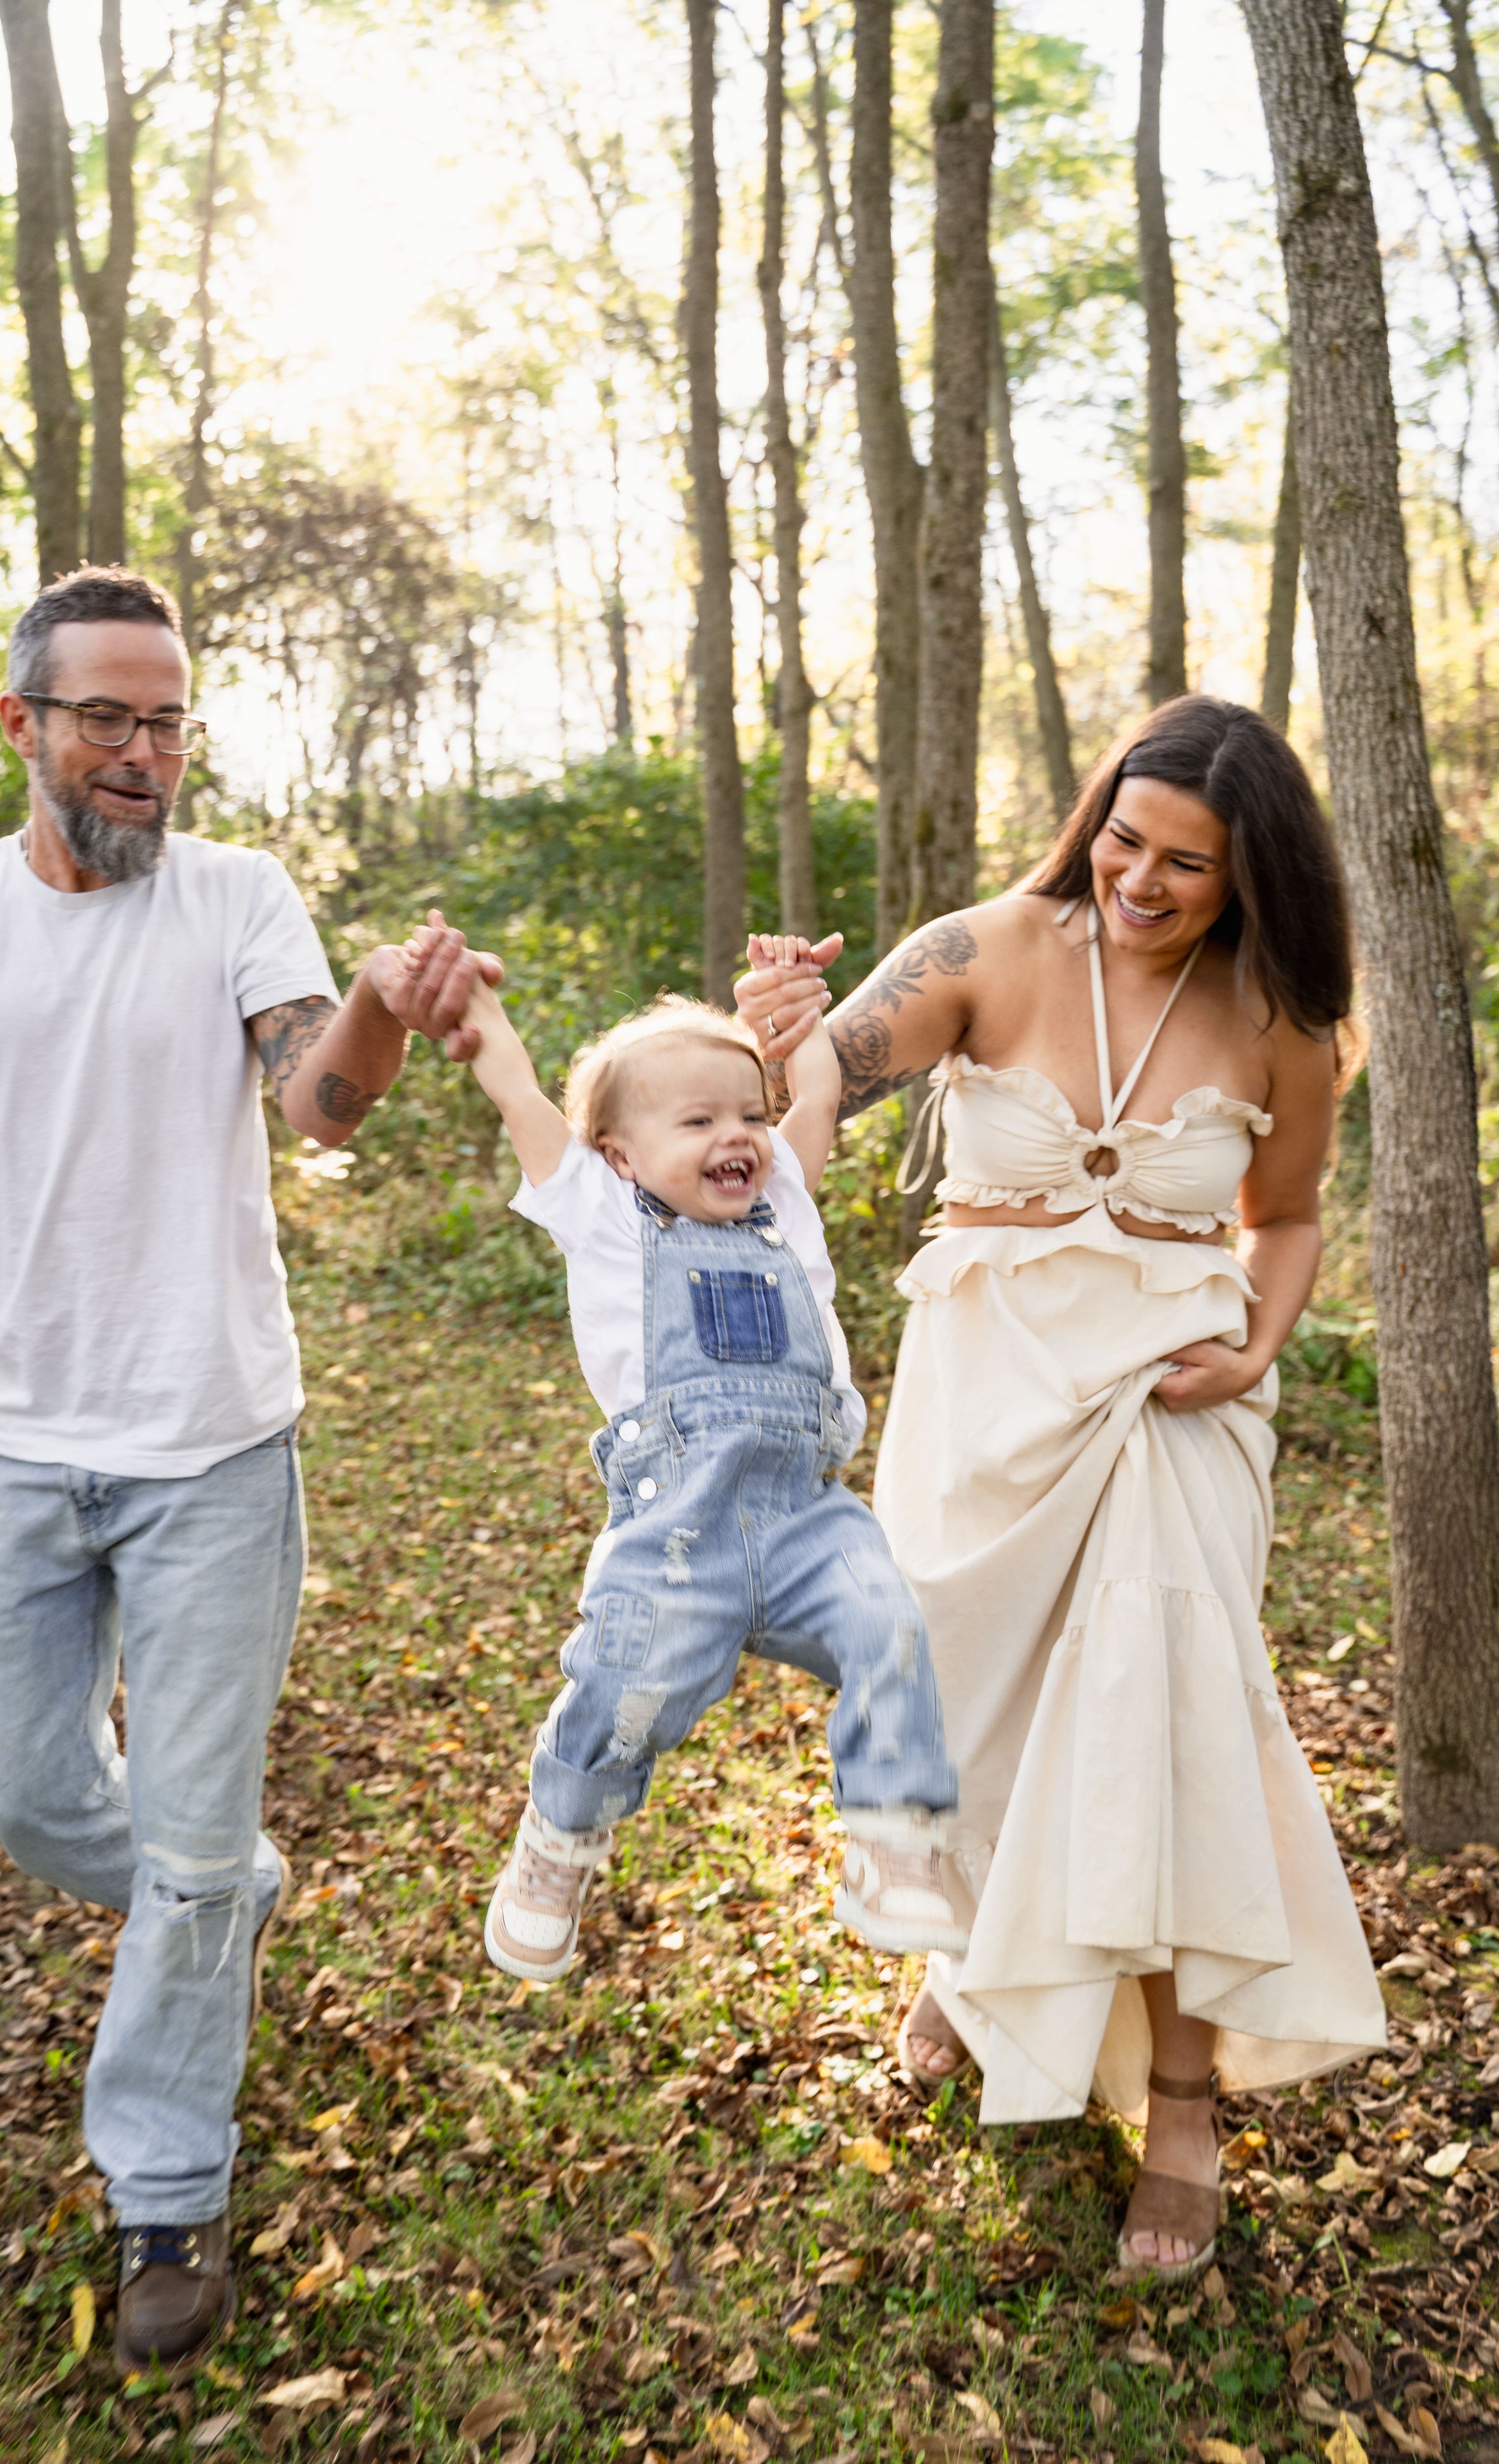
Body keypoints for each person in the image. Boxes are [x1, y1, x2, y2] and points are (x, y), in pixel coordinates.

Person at [0, 566, 494, 2372]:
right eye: (108, 719)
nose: (144, 754)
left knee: (195, 1840)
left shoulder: (235, 897)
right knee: (19, 1781)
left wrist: (375, 1003)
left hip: (217, 1441)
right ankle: (212, 1881)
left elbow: (319, 1099)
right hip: (17, 1446)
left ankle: (167, 2179)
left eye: (168, 721)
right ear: (24, 726)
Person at [736, 697, 1387, 2282]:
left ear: (1250, 877)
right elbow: (827, 1072)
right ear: (1090, 816)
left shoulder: (1279, 1014)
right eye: (1121, 840)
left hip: (1167, 1401)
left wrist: (1256, 1350)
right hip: (981, 1402)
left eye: (1185, 864)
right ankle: (976, 1971)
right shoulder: (988, 947)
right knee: (976, 1716)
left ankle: (1178, 2098)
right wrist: (782, 1056)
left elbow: (1283, 1219)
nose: (1140, 882)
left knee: (1157, 1724)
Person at [402, 925, 962, 1987]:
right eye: (698, 1119)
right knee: (619, 1690)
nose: (738, 1136)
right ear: (619, 1153)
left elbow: (823, 1092)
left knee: (888, 1622)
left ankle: (894, 1838)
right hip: (673, 1533)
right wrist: (475, 1012)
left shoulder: (783, 1201)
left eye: (749, 1115)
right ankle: (558, 1844)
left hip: (809, 1514)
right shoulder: (605, 1216)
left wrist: (794, 1000)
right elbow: (522, 1097)